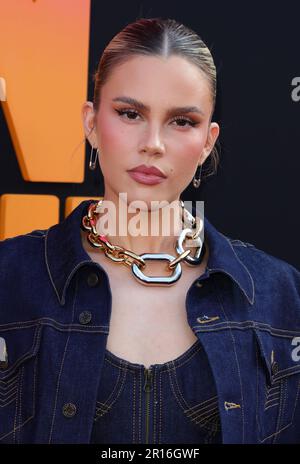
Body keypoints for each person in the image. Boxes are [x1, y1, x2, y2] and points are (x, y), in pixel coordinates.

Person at [0, 17, 300, 445]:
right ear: (91, 122)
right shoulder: (9, 279)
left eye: (182, 121)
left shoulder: (282, 296)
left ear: (208, 141)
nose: (153, 142)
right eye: (130, 113)